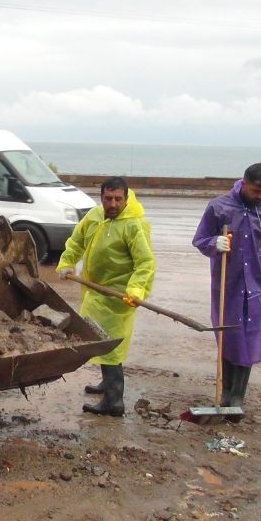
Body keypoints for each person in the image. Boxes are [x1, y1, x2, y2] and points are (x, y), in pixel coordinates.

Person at [191, 163, 261, 417]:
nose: (260, 196)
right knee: (228, 336)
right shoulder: (219, 207)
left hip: (259, 286)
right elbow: (200, 239)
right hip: (228, 285)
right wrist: (215, 243)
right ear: (244, 183)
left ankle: (237, 396)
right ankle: (225, 394)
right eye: (256, 191)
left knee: (250, 338)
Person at [57, 177, 156, 417]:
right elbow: (76, 241)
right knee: (98, 338)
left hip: (119, 297)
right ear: (101, 197)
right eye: (108, 199)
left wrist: (135, 291)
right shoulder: (94, 216)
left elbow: (145, 263)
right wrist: (68, 262)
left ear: (126, 197)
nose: (113, 204)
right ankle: (106, 383)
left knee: (110, 346)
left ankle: (114, 402)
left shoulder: (134, 225)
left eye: (118, 199)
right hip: (95, 291)